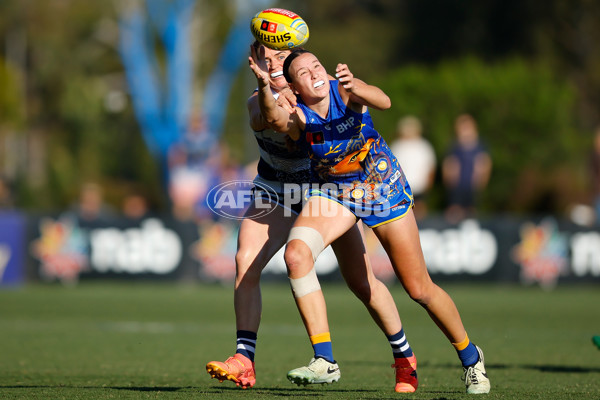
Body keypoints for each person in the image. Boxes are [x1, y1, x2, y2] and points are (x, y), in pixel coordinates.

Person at [249, 48, 490, 394]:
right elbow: (271, 119)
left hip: (382, 187)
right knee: (296, 255)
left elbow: (385, 101)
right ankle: (325, 360)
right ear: (295, 87)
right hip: (335, 192)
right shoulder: (297, 114)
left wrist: (357, 86)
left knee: (418, 289)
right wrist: (263, 84)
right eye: (303, 72)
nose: (315, 72)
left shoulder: (343, 89)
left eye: (316, 65)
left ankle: (470, 357)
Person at [206, 42, 416, 393]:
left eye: (278, 59)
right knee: (245, 261)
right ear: (254, 64)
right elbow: (267, 118)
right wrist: (266, 87)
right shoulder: (256, 100)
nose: (271, 65)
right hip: (276, 190)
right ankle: (244, 360)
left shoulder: (315, 92)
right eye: (264, 60)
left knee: (362, 283)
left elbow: (336, 116)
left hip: (323, 190)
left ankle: (403, 358)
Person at [442, 114, 492, 223]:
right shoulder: (454, 147)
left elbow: (485, 164)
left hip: (472, 187)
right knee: (454, 212)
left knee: (471, 214)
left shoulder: (480, 146)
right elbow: (448, 166)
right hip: (457, 188)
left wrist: (481, 182)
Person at [389, 116, 436, 220]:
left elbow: (430, 168)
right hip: (402, 188)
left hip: (419, 187)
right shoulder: (398, 145)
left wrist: (427, 186)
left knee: (420, 214)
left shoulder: (423, 146)